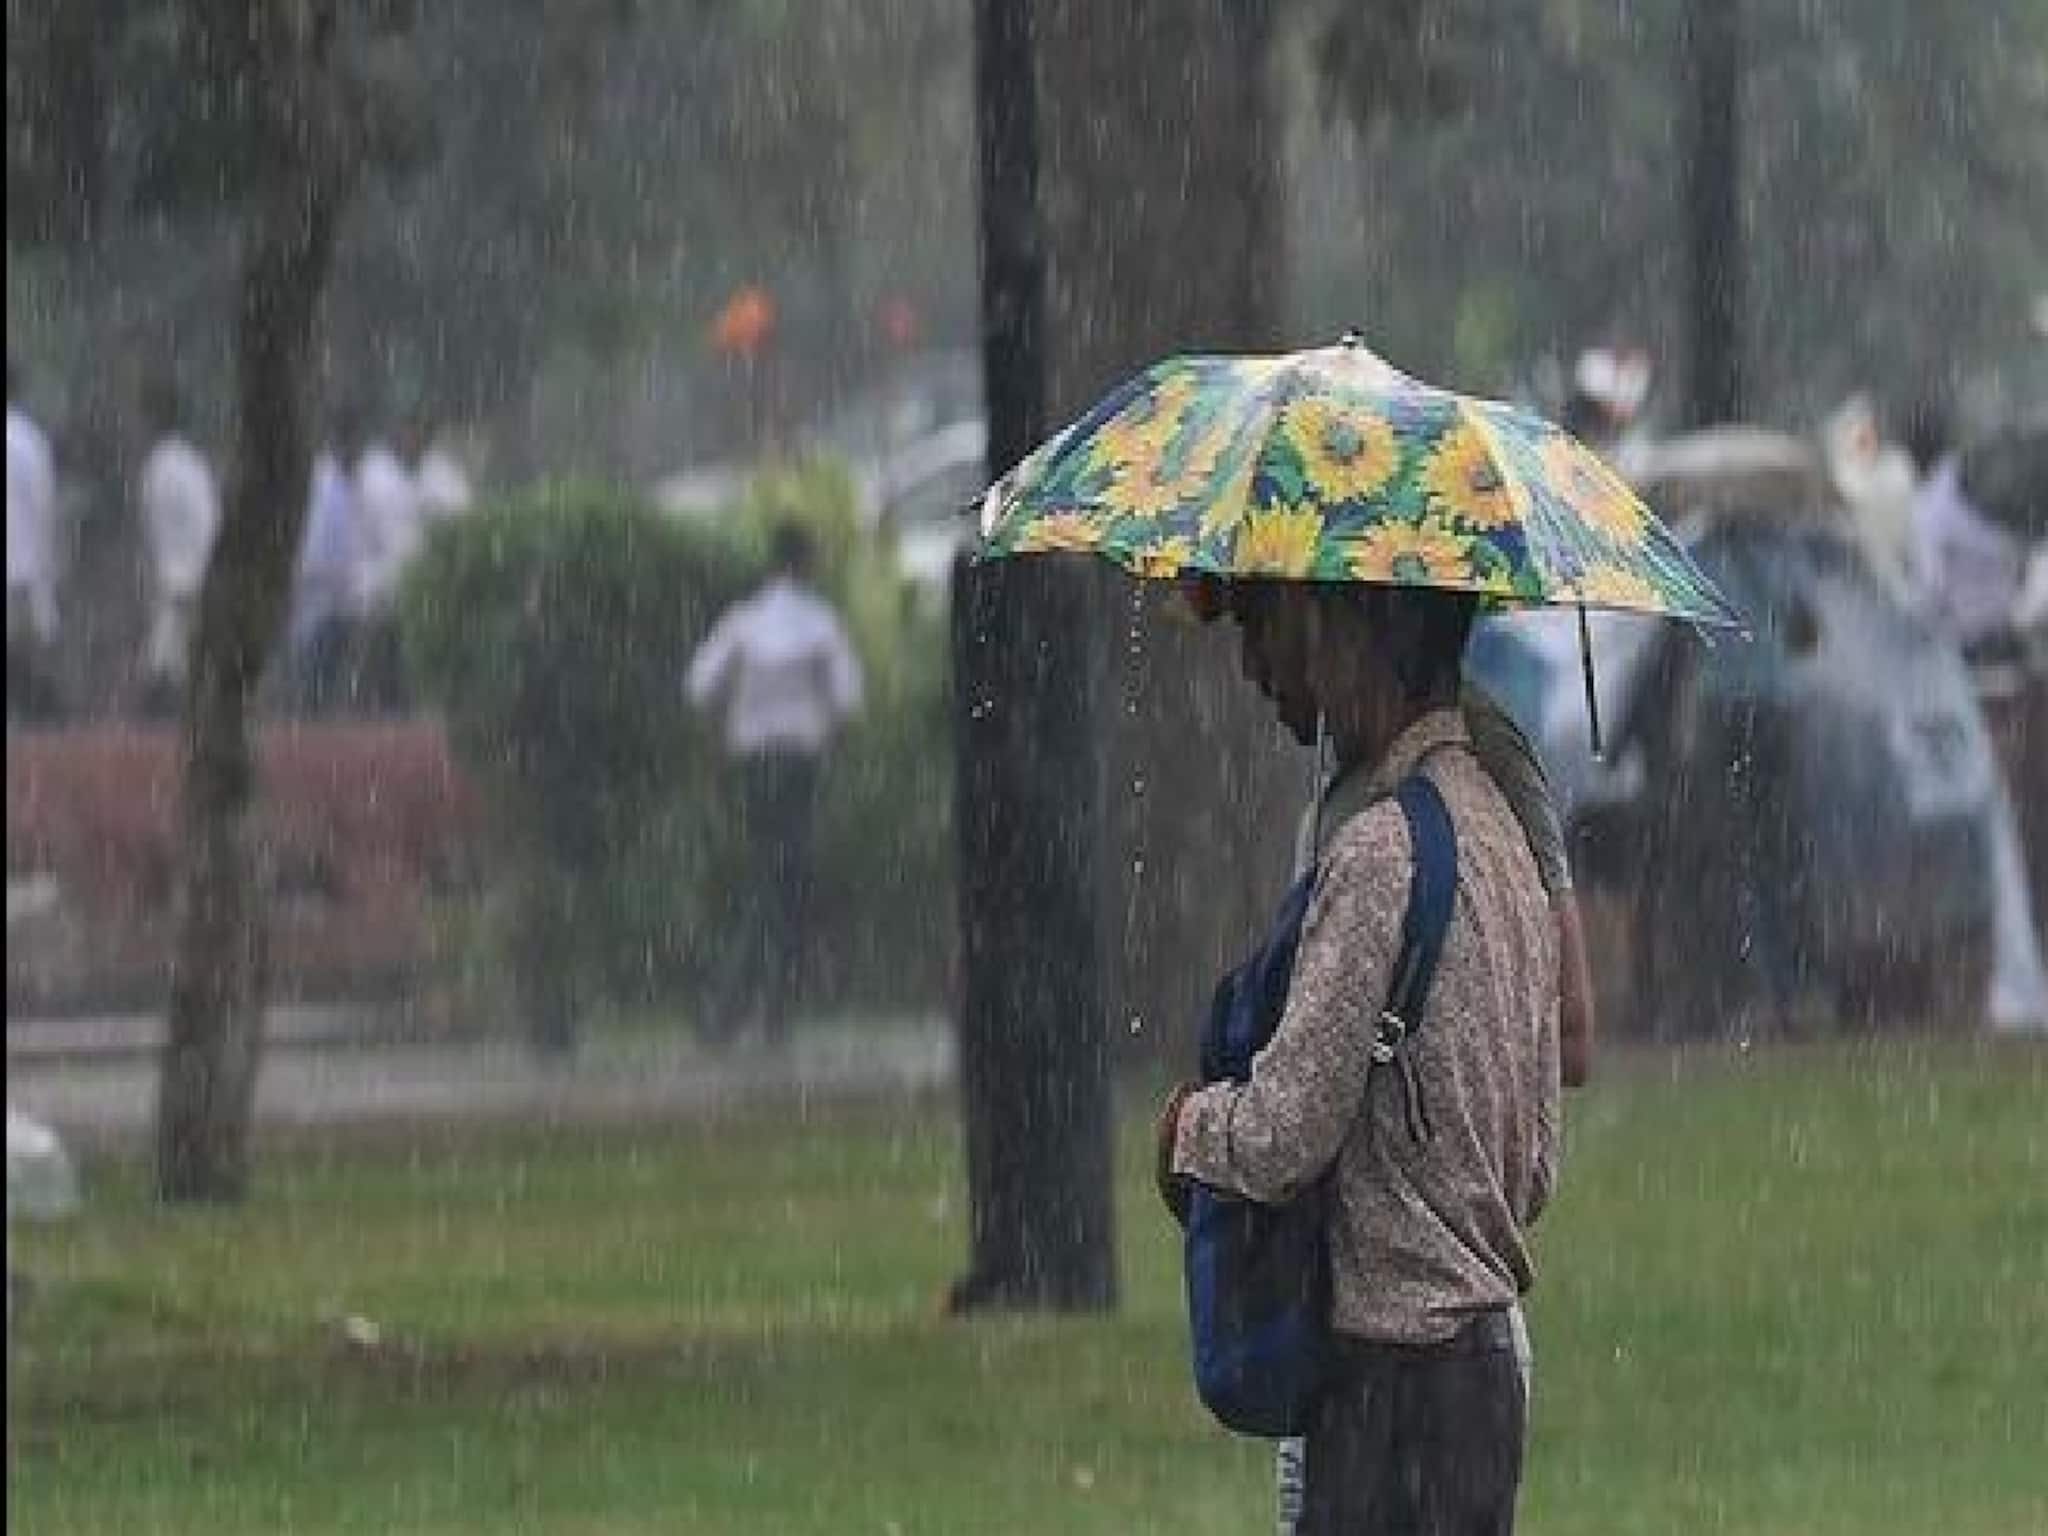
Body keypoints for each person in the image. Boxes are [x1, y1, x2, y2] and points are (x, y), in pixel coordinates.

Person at [1158, 578, 1560, 1534]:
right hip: (1481, 1385)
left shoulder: (1381, 855)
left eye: (1271, 625)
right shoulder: (1502, 838)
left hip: (1389, 1391)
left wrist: (1187, 1129)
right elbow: (1536, 1162)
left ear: (1348, 627)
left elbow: (1285, 1131)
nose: (1258, 665)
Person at [685, 523, 864, 1047]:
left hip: (753, 767)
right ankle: (752, 1007)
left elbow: (699, 685)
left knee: (773, 880)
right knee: (782, 885)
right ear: (807, 565)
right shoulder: (821, 625)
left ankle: (748, 1010)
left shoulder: (744, 622)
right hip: (800, 768)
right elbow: (849, 698)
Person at [133, 375, 222, 717]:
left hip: (182, 587)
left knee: (165, 673)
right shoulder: (189, 462)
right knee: (174, 670)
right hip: (191, 582)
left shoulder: (163, 466)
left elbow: (198, 529)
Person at [6, 357, 64, 722]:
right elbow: (45, 507)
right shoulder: (30, 439)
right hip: (23, 567)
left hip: (20, 566)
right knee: (24, 651)